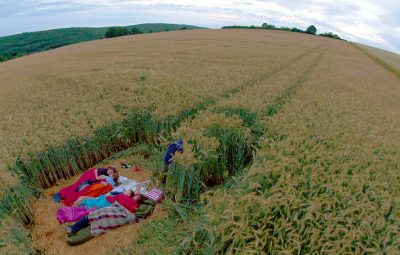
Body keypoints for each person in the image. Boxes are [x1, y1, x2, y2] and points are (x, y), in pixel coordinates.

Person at [65, 190, 145, 234]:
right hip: (120, 217)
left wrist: (108, 196)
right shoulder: (136, 207)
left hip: (112, 212)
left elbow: (110, 199)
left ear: (133, 195)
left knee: (89, 217)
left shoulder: (123, 197)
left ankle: (72, 228)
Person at [53, 166, 118, 203]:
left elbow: (104, 179)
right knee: (76, 186)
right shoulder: (103, 170)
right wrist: (97, 178)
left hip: (91, 178)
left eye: (111, 172)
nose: (109, 172)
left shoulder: (107, 176)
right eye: (110, 170)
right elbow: (95, 170)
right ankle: (61, 194)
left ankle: (65, 197)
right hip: (89, 176)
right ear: (109, 168)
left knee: (79, 189)